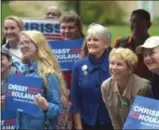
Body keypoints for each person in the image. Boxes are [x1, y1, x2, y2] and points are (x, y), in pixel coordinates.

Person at [15, 30, 68, 130]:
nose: (23, 46)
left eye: (27, 42)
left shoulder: (48, 74)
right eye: (21, 43)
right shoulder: (21, 72)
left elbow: (58, 109)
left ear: (38, 44)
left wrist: (46, 106)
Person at [71, 24, 113, 130]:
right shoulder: (78, 65)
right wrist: (78, 126)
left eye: (95, 40)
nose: (90, 43)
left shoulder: (115, 64)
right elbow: (75, 99)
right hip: (87, 123)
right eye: (89, 40)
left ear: (106, 44)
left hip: (112, 123)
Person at [101, 48, 152, 130]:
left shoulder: (142, 87)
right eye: (112, 63)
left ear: (130, 69)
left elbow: (142, 122)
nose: (114, 67)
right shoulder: (105, 86)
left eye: (119, 64)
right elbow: (114, 118)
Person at [113, 9, 152, 79]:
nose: (136, 25)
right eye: (133, 21)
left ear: (149, 25)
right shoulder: (120, 43)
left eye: (141, 22)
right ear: (129, 22)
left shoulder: (154, 47)